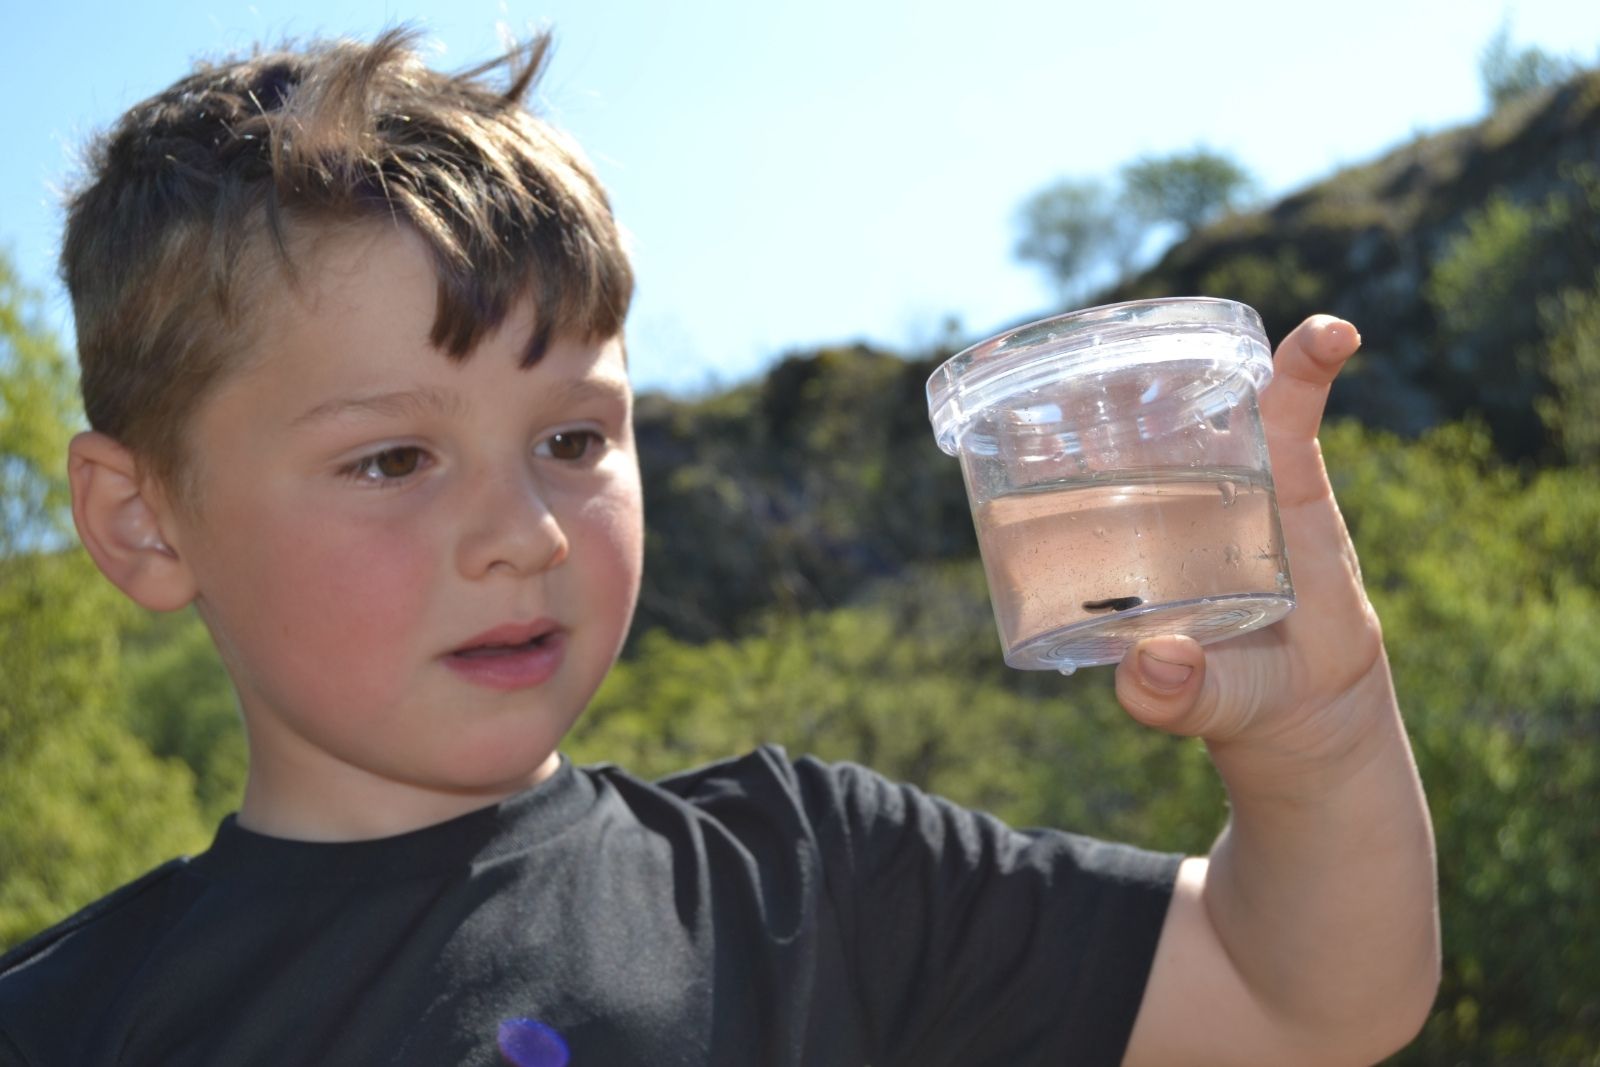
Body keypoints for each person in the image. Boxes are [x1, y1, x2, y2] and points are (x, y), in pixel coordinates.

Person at [0, 28, 1439, 1067]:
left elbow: (1308, 1001)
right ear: (142, 519)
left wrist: (1316, 731)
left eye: (573, 440)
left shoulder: (813, 881)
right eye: (393, 459)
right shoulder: (60, 1021)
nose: (524, 533)